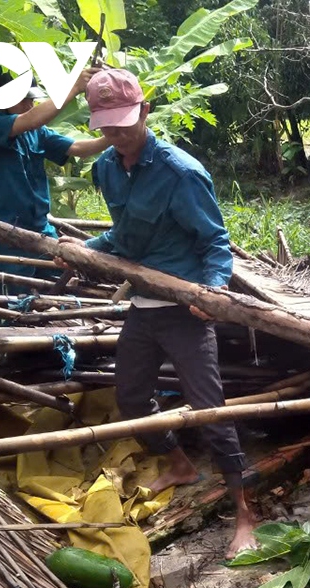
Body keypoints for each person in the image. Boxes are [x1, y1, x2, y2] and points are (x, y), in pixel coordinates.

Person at [53, 69, 256, 557]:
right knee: (132, 395)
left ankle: (246, 513)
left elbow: (215, 242)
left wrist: (211, 291)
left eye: (124, 123)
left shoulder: (180, 172)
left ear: (144, 112)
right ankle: (180, 464)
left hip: (184, 309)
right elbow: (123, 237)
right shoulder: (106, 167)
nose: (116, 134)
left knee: (210, 410)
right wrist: (82, 249)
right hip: (142, 305)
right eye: (107, 126)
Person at [0, 67, 110, 293]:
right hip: (5, 233)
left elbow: (77, 148)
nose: (30, 105)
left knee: (59, 289)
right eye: (24, 99)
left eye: (31, 100)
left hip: (40, 228)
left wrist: (113, 135)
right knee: (13, 302)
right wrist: (74, 87)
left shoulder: (37, 132)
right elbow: (30, 119)